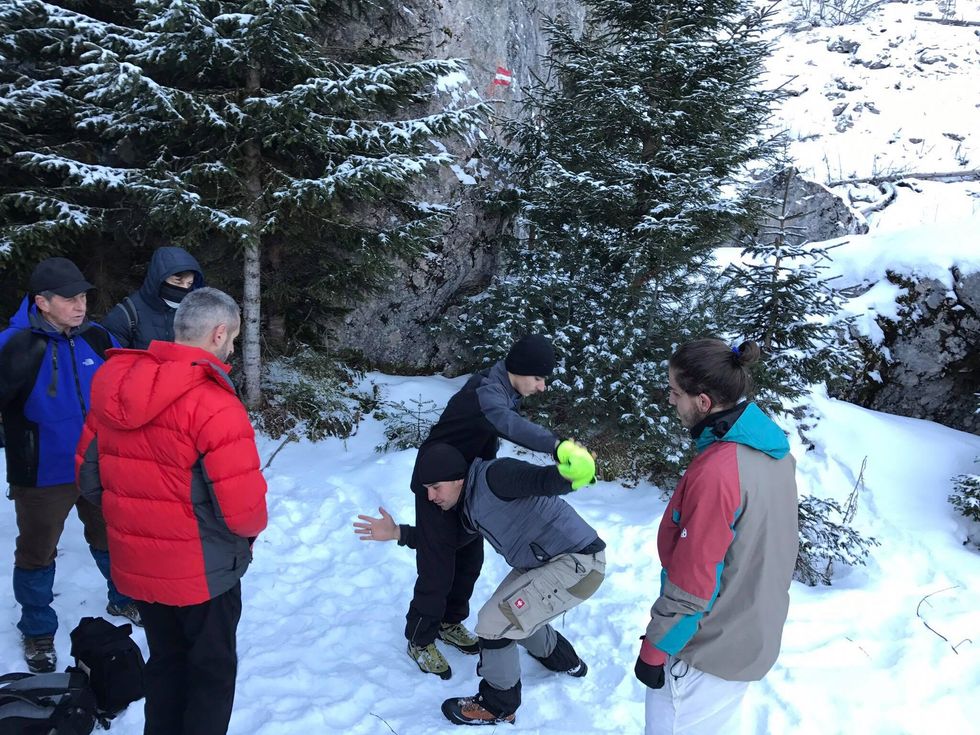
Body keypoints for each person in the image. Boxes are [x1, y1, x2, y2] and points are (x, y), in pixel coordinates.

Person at [76, 287, 268, 735]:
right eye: (234, 339)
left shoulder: (113, 384)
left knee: (165, 662)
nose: (233, 349)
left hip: (138, 566)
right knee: (211, 674)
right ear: (218, 333)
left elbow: (88, 480)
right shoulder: (214, 402)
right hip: (204, 572)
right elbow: (244, 514)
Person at [356, 440, 603, 726]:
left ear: (458, 478)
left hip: (578, 564)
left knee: (493, 623)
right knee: (509, 614)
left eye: (436, 487)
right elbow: (444, 542)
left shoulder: (494, 476)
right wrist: (397, 532)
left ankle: (498, 704)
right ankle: (564, 661)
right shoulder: (469, 506)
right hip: (546, 563)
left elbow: (539, 480)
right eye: (427, 490)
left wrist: (570, 475)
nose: (431, 496)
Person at [634, 339, 798, 735]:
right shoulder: (772, 454)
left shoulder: (719, 470)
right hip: (748, 635)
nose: (671, 401)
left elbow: (694, 576)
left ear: (703, 402)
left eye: (675, 392)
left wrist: (657, 647)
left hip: (704, 647)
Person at [0, 257, 139, 673]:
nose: (80, 305)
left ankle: (123, 595)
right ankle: (38, 628)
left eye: (83, 296)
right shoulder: (13, 344)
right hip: (42, 473)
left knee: (110, 536)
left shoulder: (96, 337)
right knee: (36, 552)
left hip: (98, 464)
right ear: (42, 301)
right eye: (69, 298)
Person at [401, 333, 565, 680]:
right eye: (538, 377)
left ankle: (449, 621)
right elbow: (508, 425)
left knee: (470, 559)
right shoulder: (487, 392)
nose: (542, 386)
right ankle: (419, 638)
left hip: (466, 485)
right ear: (519, 370)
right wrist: (556, 446)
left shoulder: (503, 391)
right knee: (438, 563)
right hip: (438, 484)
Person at [102, 245, 204, 348]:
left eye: (189, 284)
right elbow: (111, 360)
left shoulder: (193, 314)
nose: (184, 288)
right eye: (178, 282)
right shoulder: (125, 315)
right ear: (158, 278)